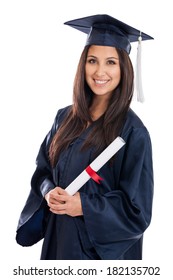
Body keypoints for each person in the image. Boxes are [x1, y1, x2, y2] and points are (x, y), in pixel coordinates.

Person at [16, 14, 154, 260]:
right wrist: (49, 192)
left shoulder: (133, 132)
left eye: (111, 62)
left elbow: (137, 212)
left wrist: (85, 206)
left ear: (124, 68)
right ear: (83, 64)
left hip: (96, 258)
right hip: (58, 246)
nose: (100, 71)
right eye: (93, 61)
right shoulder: (64, 118)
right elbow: (42, 172)